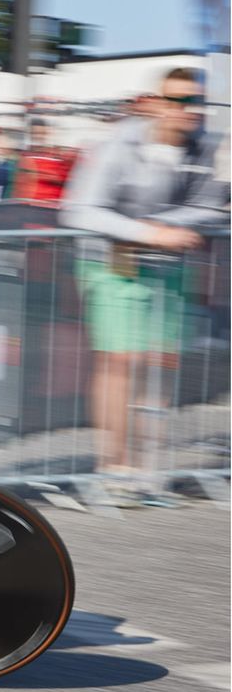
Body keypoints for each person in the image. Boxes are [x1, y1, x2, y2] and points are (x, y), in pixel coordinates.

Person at [59, 67, 229, 497]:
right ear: (157, 103)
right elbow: (80, 209)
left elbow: (212, 207)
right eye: (178, 99)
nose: (188, 109)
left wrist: (163, 229)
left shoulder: (207, 148)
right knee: (120, 362)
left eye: (196, 100)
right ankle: (113, 465)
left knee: (159, 364)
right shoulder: (117, 144)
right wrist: (149, 232)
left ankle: (145, 466)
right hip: (112, 263)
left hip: (169, 266)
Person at [14, 118, 78, 204]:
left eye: (42, 133)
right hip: (27, 205)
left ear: (47, 133)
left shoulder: (56, 156)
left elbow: (66, 181)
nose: (38, 136)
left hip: (50, 206)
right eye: (35, 133)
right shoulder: (23, 156)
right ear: (30, 134)